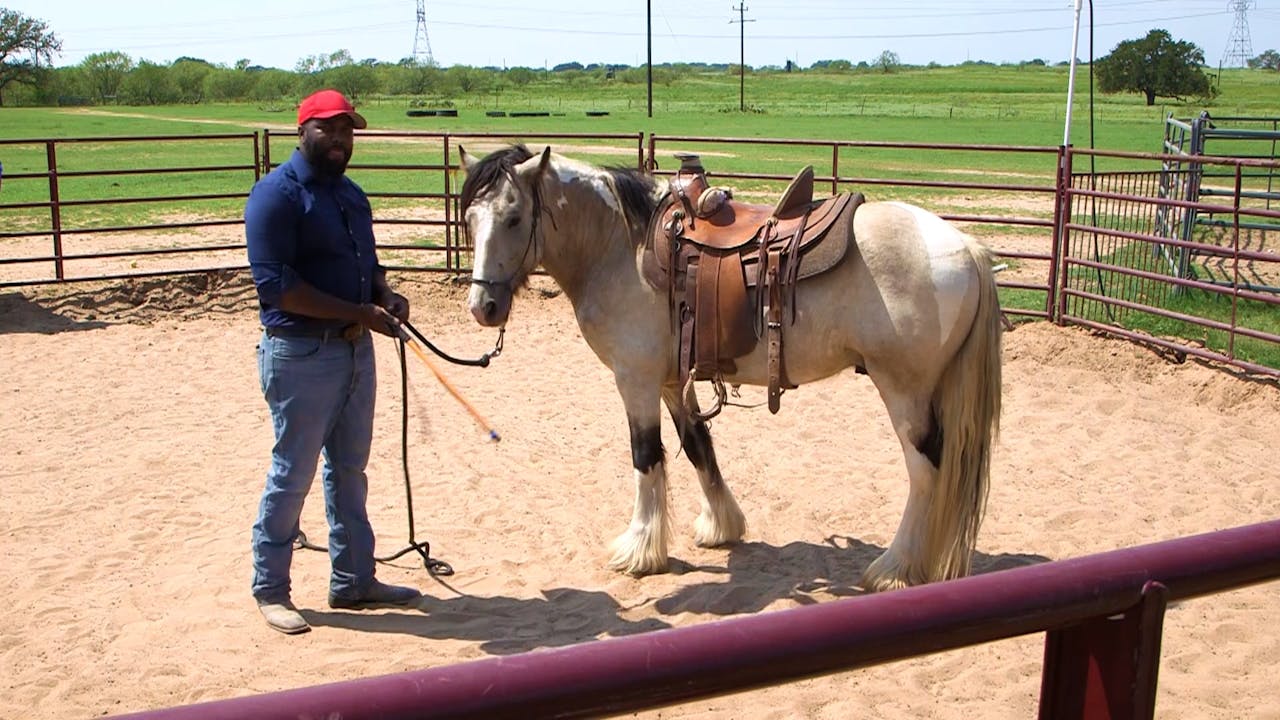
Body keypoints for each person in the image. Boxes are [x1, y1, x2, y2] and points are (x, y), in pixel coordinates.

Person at [244, 89, 420, 635]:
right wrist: (358, 311)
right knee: (291, 473)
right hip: (301, 354)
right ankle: (271, 588)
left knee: (350, 471)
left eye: (347, 130)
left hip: (353, 350)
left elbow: (364, 261)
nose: (341, 139)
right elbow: (278, 287)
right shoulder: (275, 196)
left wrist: (384, 293)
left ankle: (353, 579)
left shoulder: (351, 196)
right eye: (329, 129)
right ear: (303, 130)